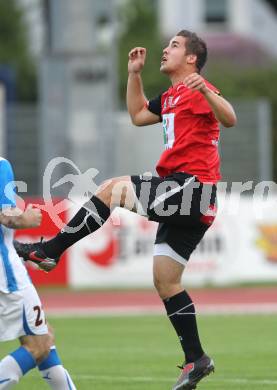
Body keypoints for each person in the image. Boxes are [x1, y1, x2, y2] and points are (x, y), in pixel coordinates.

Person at [14, 30, 237, 389]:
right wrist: (133, 74)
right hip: (189, 197)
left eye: (175, 46)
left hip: (193, 189)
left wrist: (207, 91)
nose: (166, 50)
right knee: (166, 282)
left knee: (112, 189)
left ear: (192, 58)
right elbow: (136, 114)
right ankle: (197, 359)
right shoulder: (172, 95)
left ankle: (49, 249)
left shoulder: (197, 89)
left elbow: (230, 118)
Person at [0, 157, 76, 389]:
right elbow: (6, 217)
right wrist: (27, 219)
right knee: (39, 344)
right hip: (6, 277)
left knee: (43, 337)